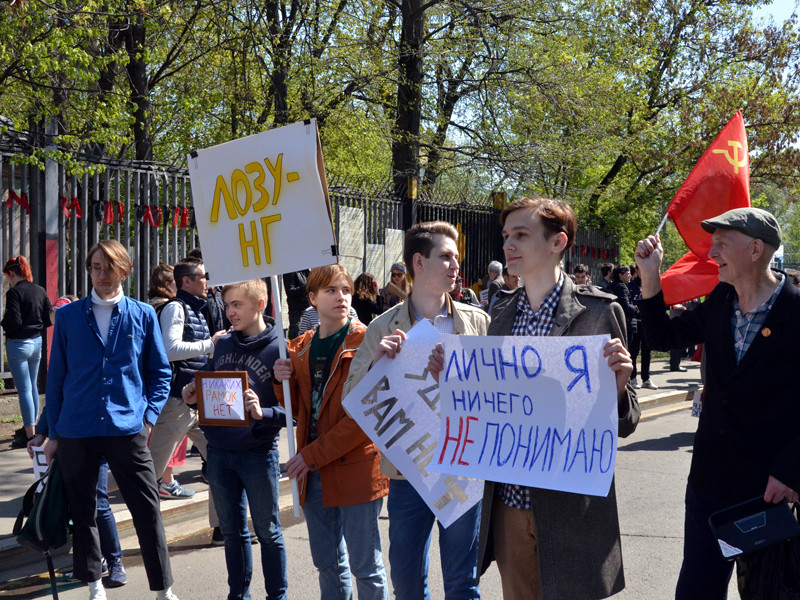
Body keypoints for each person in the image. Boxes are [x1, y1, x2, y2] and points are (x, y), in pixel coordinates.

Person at [430, 197, 639, 600]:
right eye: (507, 235)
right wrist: (452, 383)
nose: (509, 244)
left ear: (558, 242)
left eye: (521, 235)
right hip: (510, 503)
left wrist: (616, 386)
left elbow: (626, 421)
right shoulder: (502, 313)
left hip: (570, 508)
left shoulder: (597, 313)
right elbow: (492, 405)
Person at [635, 207, 800, 599]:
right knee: (696, 590)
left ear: (756, 249)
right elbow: (661, 335)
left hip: (768, 490)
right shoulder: (721, 299)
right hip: (709, 485)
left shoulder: (796, 312)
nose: (713, 254)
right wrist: (649, 274)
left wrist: (792, 471)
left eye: (722, 244)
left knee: (769, 592)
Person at [343, 221, 490, 600]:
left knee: (462, 583)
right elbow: (352, 397)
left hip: (462, 468)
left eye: (456, 257)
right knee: (407, 583)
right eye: (446, 257)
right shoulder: (380, 327)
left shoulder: (478, 323)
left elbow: (499, 391)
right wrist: (378, 363)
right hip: (408, 473)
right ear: (419, 262)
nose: (455, 265)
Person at [43, 239, 178, 600]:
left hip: (127, 426)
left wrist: (148, 417)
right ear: (88, 270)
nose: (102, 275)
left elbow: (160, 372)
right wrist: (51, 433)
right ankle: (94, 583)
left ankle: (163, 589)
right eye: (95, 267)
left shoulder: (143, 314)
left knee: (147, 508)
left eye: (110, 267)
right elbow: (56, 377)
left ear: (125, 269)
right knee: (83, 510)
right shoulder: (70, 317)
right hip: (76, 427)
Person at [274, 264, 390, 600]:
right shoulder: (300, 346)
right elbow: (296, 409)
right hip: (313, 471)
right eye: (331, 291)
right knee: (328, 563)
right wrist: (281, 379)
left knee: (365, 566)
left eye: (346, 290)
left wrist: (308, 456)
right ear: (312, 298)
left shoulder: (367, 342)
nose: (341, 297)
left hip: (354, 469)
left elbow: (363, 419)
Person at [181, 279, 288, 600]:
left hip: (258, 453)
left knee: (268, 532)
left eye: (237, 304)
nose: (229, 312)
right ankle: (238, 595)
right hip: (219, 452)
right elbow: (212, 387)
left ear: (260, 304)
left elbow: (294, 413)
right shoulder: (224, 344)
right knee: (232, 533)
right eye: (227, 305)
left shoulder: (280, 349)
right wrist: (192, 395)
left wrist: (263, 413)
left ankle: (276, 596)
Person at [149, 258, 224, 539]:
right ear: (187, 282)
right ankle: (85, 496)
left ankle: (222, 528)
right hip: (178, 402)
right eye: (203, 276)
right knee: (144, 470)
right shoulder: (176, 308)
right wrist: (210, 344)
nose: (208, 281)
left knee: (218, 463)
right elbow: (170, 349)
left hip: (198, 399)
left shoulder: (196, 308)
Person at [146, 264, 190, 498]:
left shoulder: (148, 307)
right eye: (176, 281)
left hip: (151, 379)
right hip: (167, 380)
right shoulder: (170, 308)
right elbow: (169, 348)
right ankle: (166, 481)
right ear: (166, 285)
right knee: (168, 436)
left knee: (161, 434)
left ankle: (164, 480)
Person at [1, 255, 52, 448]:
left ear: (12, 273)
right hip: (37, 342)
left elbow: (14, 321)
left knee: (24, 390)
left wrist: (3, 323)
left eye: (8, 276)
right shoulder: (40, 290)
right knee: (32, 387)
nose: (8, 280)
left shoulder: (14, 293)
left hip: (18, 345)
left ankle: (29, 435)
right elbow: (48, 318)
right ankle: (35, 429)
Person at [626, 265, 655, 390]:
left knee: (647, 351)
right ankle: (632, 378)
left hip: (647, 322)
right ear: (637, 271)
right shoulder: (631, 285)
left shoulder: (651, 284)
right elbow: (631, 302)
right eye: (641, 270)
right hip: (636, 322)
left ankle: (646, 378)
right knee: (634, 351)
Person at [283, 269, 311, 338]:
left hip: (309, 308)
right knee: (297, 335)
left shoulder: (307, 270)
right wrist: (306, 287)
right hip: (297, 311)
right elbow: (290, 291)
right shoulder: (290, 271)